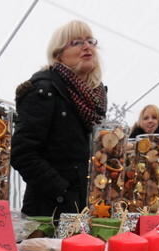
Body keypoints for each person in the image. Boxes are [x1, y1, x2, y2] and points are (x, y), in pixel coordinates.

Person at [11, 20, 107, 217]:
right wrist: (63, 192)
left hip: (84, 211)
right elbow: (22, 154)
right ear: (58, 55)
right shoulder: (43, 90)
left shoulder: (94, 97)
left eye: (90, 41)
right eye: (77, 42)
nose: (87, 46)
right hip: (48, 214)